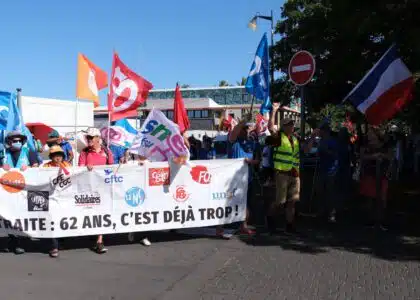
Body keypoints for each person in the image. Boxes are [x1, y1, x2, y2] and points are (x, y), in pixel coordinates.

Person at [0, 131, 39, 254]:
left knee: (22, 215)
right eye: (14, 140)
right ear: (9, 142)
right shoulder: (3, 154)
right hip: (8, 191)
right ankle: (13, 240)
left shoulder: (29, 152)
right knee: (9, 215)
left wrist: (30, 169)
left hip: (24, 191)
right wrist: (1, 168)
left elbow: (37, 167)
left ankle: (20, 241)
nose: (17, 143)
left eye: (19, 140)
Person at [78, 128, 114, 254]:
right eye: (87, 137)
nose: (88, 140)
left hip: (103, 188)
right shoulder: (84, 152)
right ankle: (94, 235)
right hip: (88, 188)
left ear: (98, 138)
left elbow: (112, 168)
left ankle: (99, 240)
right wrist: (85, 168)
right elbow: (80, 169)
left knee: (101, 213)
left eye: (91, 137)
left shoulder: (107, 151)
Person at [268, 103, 302, 234]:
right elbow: (270, 127)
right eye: (289, 124)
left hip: (294, 174)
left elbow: (300, 153)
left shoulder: (295, 139)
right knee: (280, 202)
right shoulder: (278, 138)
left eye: (292, 124)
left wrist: (311, 137)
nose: (292, 126)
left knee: (292, 201)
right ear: (284, 126)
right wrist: (274, 111)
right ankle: (269, 217)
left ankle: (289, 225)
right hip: (282, 174)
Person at [227, 118, 261, 235]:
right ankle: (221, 225)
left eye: (247, 129)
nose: (245, 131)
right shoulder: (233, 142)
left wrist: (251, 162)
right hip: (233, 180)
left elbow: (258, 160)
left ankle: (244, 225)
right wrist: (241, 123)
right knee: (229, 201)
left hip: (248, 179)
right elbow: (233, 134)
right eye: (243, 129)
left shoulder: (252, 144)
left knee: (245, 203)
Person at [359, 125, 393, 229]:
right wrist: (373, 156)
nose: (369, 135)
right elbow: (361, 156)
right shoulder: (365, 144)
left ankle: (381, 220)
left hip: (382, 174)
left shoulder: (385, 144)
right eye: (369, 133)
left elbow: (391, 156)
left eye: (371, 133)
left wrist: (382, 155)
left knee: (382, 198)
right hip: (370, 173)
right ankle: (370, 220)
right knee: (369, 198)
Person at [42, 145, 72, 257]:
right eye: (55, 155)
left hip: (65, 198)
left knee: (63, 220)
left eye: (59, 155)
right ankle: (54, 246)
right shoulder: (46, 166)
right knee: (52, 220)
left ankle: (61, 242)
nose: (57, 158)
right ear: (51, 156)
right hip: (51, 198)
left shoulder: (68, 165)